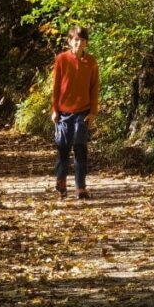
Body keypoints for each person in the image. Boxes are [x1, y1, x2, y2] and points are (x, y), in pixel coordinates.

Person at [50, 25, 100, 200]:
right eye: (76, 40)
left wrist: (93, 111)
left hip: (83, 111)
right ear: (70, 41)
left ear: (86, 43)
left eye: (82, 40)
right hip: (64, 112)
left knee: (80, 149)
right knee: (63, 149)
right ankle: (61, 182)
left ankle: (81, 187)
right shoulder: (62, 59)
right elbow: (56, 87)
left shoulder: (91, 62)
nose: (79, 43)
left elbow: (94, 88)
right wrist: (54, 110)